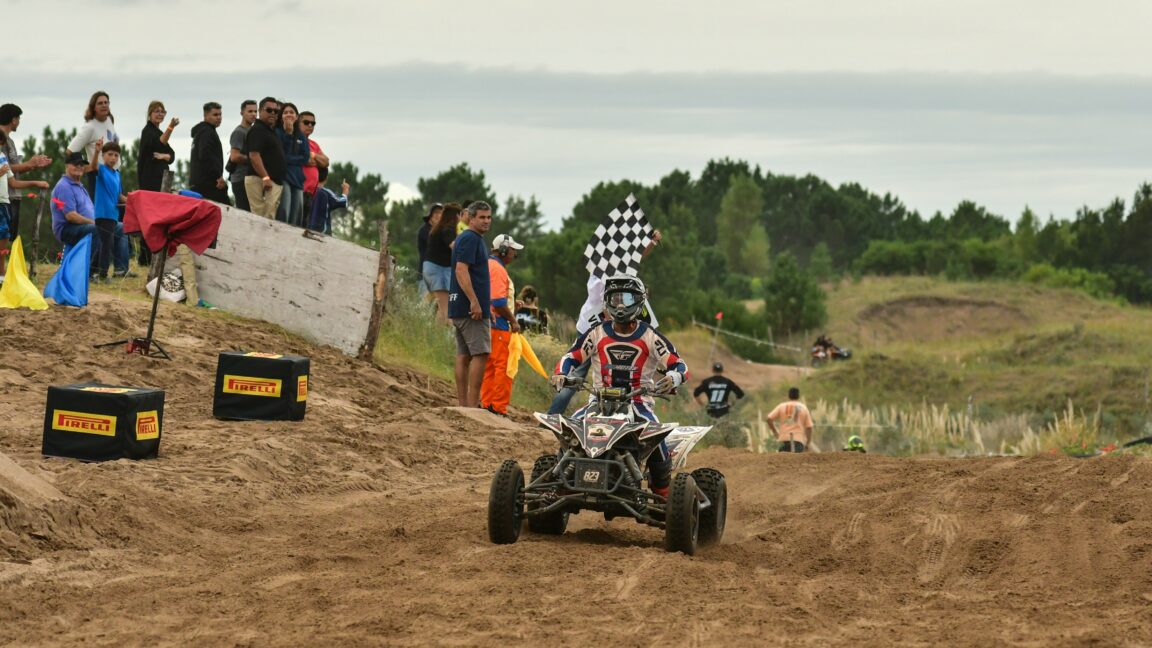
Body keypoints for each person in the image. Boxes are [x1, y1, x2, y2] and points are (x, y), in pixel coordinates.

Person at [550, 275, 687, 498]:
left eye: (627, 298)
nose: (621, 305)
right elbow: (571, 356)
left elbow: (679, 364)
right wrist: (561, 374)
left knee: (656, 436)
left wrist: (674, 377)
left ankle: (663, 492)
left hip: (638, 403)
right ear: (607, 301)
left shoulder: (650, 336)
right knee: (569, 430)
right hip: (598, 401)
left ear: (639, 301)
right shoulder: (597, 332)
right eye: (615, 299)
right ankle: (560, 482)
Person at [547, 228, 663, 415]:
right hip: (596, 328)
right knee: (585, 372)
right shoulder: (605, 278)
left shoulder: (607, 267)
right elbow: (608, 310)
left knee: (603, 372)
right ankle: (555, 416)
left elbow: (637, 259)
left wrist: (652, 243)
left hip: (594, 324)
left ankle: (610, 412)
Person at [447, 200, 493, 408]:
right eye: (481, 217)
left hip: (462, 306)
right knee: (480, 354)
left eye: (489, 217)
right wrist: (475, 302)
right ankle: (472, 405)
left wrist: (485, 303)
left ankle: (464, 405)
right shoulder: (471, 238)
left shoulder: (466, 238)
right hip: (470, 309)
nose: (486, 221)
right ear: (471, 218)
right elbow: (461, 270)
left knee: (464, 355)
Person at [479, 233, 524, 417]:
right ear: (504, 249)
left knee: (490, 366)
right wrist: (513, 320)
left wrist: (512, 304)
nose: (514, 254)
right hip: (499, 325)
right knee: (504, 367)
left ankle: (487, 403)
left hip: (490, 324)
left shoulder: (489, 264)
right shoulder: (498, 269)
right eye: (512, 250)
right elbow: (498, 302)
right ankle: (498, 407)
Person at [0, 104, 51, 241]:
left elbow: (11, 169)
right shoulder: (2, 139)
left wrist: (31, 165)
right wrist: (29, 164)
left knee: (9, 240)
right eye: (18, 118)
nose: (19, 122)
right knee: (5, 242)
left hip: (11, 195)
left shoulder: (8, 140)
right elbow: (5, 168)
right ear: (13, 120)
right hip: (6, 197)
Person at [0, 144, 49, 283]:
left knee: (4, 236)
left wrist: (35, 183)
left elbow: (13, 183)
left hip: (4, 203)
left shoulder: (2, 157)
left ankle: (1, 273)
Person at [90, 141, 132, 281]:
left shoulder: (117, 174)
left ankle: (91, 272)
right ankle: (103, 275)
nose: (113, 158)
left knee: (104, 243)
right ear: (103, 156)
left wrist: (132, 202)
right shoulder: (101, 169)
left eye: (116, 155)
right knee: (107, 245)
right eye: (110, 154)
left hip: (113, 214)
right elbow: (93, 167)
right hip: (103, 213)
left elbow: (119, 196)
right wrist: (96, 151)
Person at [66, 91, 119, 197]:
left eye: (106, 102)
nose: (104, 105)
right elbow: (70, 151)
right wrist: (86, 168)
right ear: (93, 107)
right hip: (99, 176)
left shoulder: (109, 119)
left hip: (114, 174)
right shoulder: (90, 127)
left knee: (117, 207)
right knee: (101, 208)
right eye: (100, 103)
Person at [50, 152, 99, 266]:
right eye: (75, 164)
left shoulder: (80, 186)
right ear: (66, 166)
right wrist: (93, 222)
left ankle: (120, 269)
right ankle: (91, 270)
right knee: (97, 229)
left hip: (83, 226)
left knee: (118, 228)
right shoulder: (64, 186)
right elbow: (70, 216)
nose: (79, 167)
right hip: (67, 229)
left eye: (81, 165)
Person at [244, 97, 286, 218]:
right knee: (260, 218)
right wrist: (265, 177)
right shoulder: (257, 130)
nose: (273, 113)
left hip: (272, 181)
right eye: (269, 110)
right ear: (260, 111)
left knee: (269, 217)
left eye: (276, 111)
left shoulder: (270, 131)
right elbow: (254, 155)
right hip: (260, 180)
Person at [425, 202, 461, 324]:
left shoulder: (441, 228)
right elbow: (454, 246)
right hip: (438, 269)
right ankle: (448, 332)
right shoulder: (447, 230)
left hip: (436, 268)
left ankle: (437, 332)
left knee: (443, 307)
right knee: (445, 308)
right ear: (456, 216)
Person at [275, 102, 309, 226]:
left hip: (297, 179)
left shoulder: (301, 136)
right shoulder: (277, 133)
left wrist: (289, 159)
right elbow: (280, 156)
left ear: (297, 117)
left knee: (297, 212)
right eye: (285, 112)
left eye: (291, 112)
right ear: (281, 117)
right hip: (284, 177)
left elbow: (305, 158)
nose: (289, 115)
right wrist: (288, 134)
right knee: (285, 209)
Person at [189, 102, 229, 203]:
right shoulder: (207, 132)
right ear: (206, 115)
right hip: (208, 184)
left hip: (199, 182)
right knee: (223, 209)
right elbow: (205, 156)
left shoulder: (202, 131)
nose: (219, 117)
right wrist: (217, 176)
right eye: (215, 115)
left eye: (220, 114)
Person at [228, 100, 257, 211]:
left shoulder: (252, 131)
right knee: (245, 212)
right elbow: (234, 156)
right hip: (240, 179)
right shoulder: (239, 132)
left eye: (255, 111)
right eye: (250, 111)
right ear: (242, 113)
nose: (253, 114)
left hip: (249, 179)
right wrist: (254, 159)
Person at [298, 111, 329, 218]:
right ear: (298, 123)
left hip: (312, 193)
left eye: (313, 123)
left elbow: (326, 162)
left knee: (307, 224)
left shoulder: (313, 144)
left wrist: (313, 155)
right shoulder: (295, 140)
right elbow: (306, 160)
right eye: (306, 122)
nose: (310, 125)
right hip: (299, 191)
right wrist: (317, 161)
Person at [766, 387, 814, 453]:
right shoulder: (804, 408)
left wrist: (775, 432)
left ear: (789, 395)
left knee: (783, 459)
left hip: (783, 440)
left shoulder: (781, 406)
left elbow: (769, 419)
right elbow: (809, 427)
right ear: (798, 396)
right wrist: (808, 443)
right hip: (798, 440)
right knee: (796, 459)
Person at [416, 202, 443, 298]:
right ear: (430, 215)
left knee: (439, 304)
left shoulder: (442, 231)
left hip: (439, 275)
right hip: (425, 275)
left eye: (441, 213)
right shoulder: (424, 230)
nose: (438, 215)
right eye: (436, 212)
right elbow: (437, 246)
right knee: (424, 304)